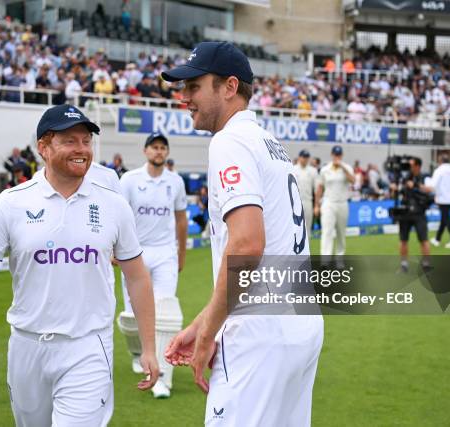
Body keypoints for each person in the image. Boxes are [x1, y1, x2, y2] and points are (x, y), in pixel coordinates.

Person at [0, 104, 159, 426]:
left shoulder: (113, 205)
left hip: (89, 345)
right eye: (70, 141)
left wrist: (148, 348)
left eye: (86, 141)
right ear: (43, 147)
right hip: (27, 346)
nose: (82, 150)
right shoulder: (12, 203)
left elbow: (138, 278)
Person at [161, 41, 323, 426]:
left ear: (229, 87)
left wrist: (208, 334)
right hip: (300, 319)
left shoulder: (230, 141)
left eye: (194, 86)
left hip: (259, 331)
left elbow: (248, 245)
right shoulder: (270, 143)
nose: (184, 97)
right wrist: (204, 320)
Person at [118, 132, 188, 399]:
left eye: (163, 148)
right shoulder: (130, 180)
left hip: (165, 253)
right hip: (135, 253)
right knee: (133, 315)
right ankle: (138, 352)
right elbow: (120, 218)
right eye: (154, 147)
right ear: (146, 151)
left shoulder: (176, 182)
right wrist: (116, 249)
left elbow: (181, 220)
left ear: (166, 153)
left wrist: (181, 253)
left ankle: (159, 375)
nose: (159, 152)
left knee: (165, 310)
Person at [390, 157, 432, 271]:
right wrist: (394, 188)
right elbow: (396, 194)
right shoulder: (403, 178)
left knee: (424, 239)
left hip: (419, 212)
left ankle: (426, 264)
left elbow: (430, 189)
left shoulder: (425, 177)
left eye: (411, 165)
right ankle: (404, 265)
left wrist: (416, 185)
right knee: (403, 240)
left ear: (418, 166)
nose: (409, 167)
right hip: (404, 212)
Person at [315, 146, 354, 256]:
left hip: (342, 203)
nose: (337, 157)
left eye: (339, 155)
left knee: (341, 233)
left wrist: (343, 167)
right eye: (335, 155)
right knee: (327, 231)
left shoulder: (347, 168)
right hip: (329, 203)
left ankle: (339, 258)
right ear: (332, 155)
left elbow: (353, 180)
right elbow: (319, 188)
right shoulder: (325, 169)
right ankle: (325, 260)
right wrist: (316, 205)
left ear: (341, 156)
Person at [293, 149, 319, 234]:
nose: (305, 159)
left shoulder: (313, 171)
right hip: (295, 202)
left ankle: (307, 247)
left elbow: (316, 190)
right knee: (294, 228)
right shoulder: (293, 169)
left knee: (307, 228)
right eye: (304, 157)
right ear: (299, 158)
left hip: (307, 201)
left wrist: (316, 205)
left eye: (307, 157)